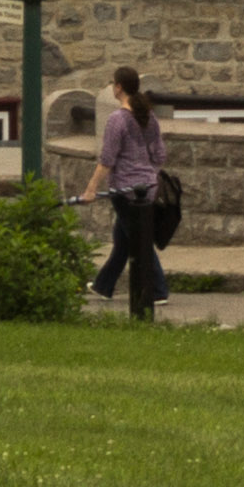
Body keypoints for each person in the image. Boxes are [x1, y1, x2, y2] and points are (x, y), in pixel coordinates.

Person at [85, 67, 170, 321]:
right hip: (148, 189)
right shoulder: (149, 117)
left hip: (125, 190)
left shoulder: (117, 120)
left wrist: (91, 189)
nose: (113, 87)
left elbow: (107, 160)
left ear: (119, 87)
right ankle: (104, 285)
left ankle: (157, 289)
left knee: (138, 239)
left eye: (113, 83)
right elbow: (160, 156)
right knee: (123, 239)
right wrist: (147, 173)